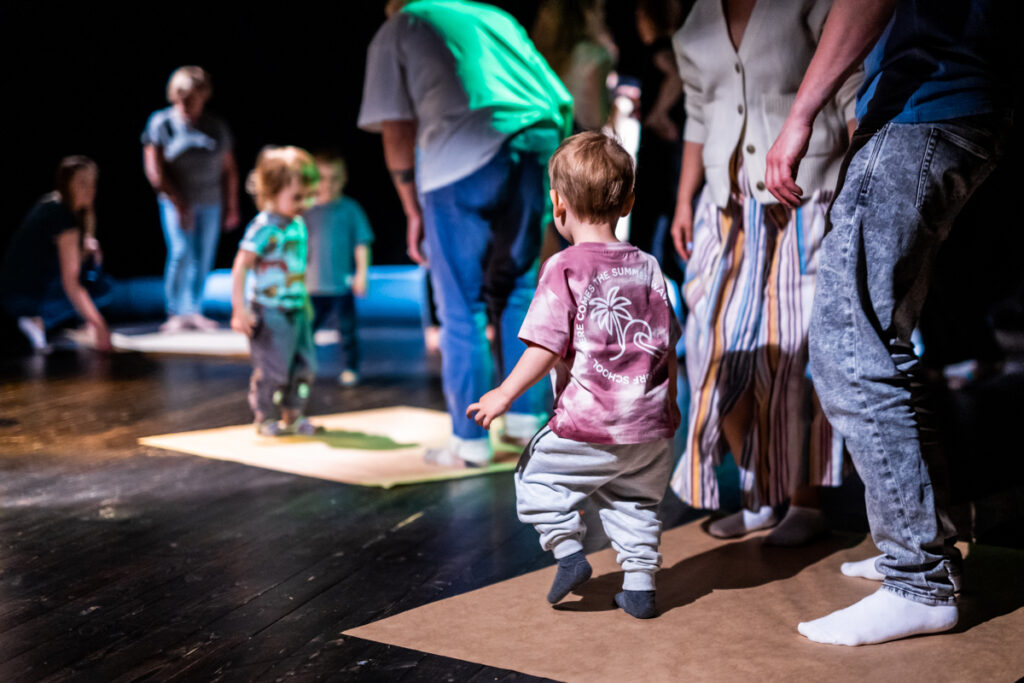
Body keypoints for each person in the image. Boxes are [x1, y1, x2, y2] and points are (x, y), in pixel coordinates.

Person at [765, 0, 1012, 646]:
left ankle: (918, 577)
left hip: (926, 105)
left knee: (850, 345)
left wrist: (800, 115)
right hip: (942, 103)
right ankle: (926, 540)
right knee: (884, 343)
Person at [667, 0, 860, 545]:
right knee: (713, 348)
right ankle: (759, 489)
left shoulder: (811, 5)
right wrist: (684, 198)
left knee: (794, 352)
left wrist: (859, 187)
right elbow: (699, 110)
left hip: (803, 198)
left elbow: (851, 90)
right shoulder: (698, 18)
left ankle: (805, 501)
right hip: (725, 207)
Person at [468, 132, 681, 619]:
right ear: (628, 202)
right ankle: (641, 588)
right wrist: (668, 404)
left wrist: (504, 392)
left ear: (556, 203)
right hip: (649, 428)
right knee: (636, 502)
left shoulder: (563, 267)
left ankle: (568, 554)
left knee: (534, 478)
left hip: (589, 424)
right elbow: (665, 342)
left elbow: (546, 343)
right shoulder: (648, 266)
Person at [358, 0, 573, 466]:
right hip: (538, 144)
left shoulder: (400, 25)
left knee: (461, 304)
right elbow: (560, 99)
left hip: (461, 159)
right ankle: (527, 424)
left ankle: (469, 442)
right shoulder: (496, 16)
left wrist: (411, 208)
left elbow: (396, 128)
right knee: (518, 290)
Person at [230, 147, 321, 437]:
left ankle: (293, 416)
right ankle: (264, 416)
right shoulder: (263, 228)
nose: (305, 203)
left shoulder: (298, 223)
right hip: (270, 310)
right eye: (297, 197)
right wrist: (239, 309)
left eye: (309, 195)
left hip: (297, 305)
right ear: (271, 191)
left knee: (305, 365)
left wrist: (304, 298)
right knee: (275, 368)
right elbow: (241, 266)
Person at [142, 66, 240, 333]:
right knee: (181, 251)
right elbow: (154, 169)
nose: (189, 101)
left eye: (195, 95)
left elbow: (229, 169)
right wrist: (177, 201)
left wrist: (232, 206)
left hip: (210, 199)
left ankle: (194, 310)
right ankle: (175, 310)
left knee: (203, 255)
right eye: (183, 95)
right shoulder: (161, 123)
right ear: (174, 94)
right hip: (176, 199)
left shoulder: (215, 126)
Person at [1, 156, 113, 352]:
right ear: (66, 184)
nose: (90, 190)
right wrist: (100, 325)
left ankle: (48, 319)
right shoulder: (60, 216)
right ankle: (36, 319)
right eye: (82, 183)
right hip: (21, 296)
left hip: (20, 290)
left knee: (93, 272)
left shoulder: (53, 204)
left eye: (92, 183)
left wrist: (86, 252)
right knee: (101, 289)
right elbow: (71, 281)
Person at [305, 152, 374, 387]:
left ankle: (351, 367)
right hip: (311, 286)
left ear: (343, 179)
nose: (328, 184)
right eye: (322, 178)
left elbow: (361, 244)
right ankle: (303, 369)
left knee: (347, 331)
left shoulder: (350, 209)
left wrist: (362, 274)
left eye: (334, 178)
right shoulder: (304, 210)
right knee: (305, 331)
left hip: (341, 284)